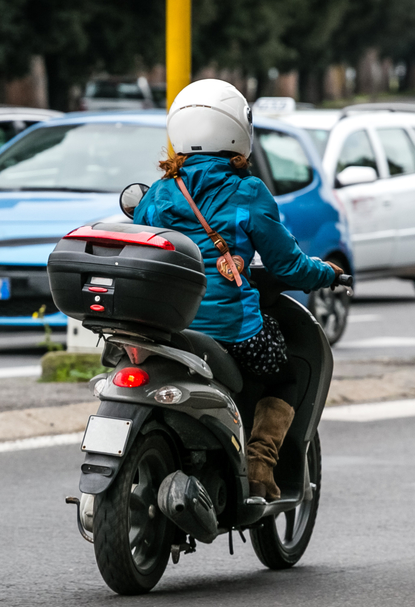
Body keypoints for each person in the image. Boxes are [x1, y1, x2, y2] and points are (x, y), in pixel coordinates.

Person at [133, 79, 341, 501]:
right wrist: (327, 274)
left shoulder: (157, 194)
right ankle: (261, 465)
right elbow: (288, 265)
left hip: (166, 329)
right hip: (232, 330)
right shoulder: (248, 192)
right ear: (236, 131)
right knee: (286, 376)